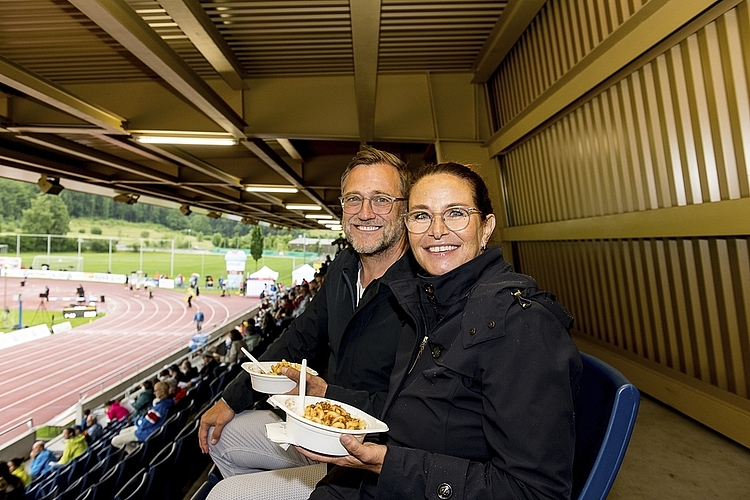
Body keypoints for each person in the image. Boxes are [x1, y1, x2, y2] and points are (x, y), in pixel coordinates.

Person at [286, 162, 580, 500]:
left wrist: (388, 464)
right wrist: (329, 396)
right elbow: (411, 410)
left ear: (486, 228)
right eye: (421, 216)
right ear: (407, 227)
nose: (436, 230)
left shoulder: (521, 325)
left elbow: (536, 492)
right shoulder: (427, 304)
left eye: (455, 213)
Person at [199, 146, 421, 480]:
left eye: (381, 200)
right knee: (220, 437)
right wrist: (231, 398)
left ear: (404, 210)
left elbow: (413, 407)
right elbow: (296, 341)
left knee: (224, 493)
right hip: (322, 425)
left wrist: (328, 394)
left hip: (376, 450)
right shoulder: (344, 267)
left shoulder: (422, 289)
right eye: (354, 199)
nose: (365, 212)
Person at [111, 381, 174, 451]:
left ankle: (134, 452)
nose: (154, 393)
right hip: (150, 428)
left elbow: (145, 424)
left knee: (114, 441)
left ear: (162, 392)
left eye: (156, 391)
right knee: (122, 432)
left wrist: (138, 421)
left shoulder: (160, 407)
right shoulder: (169, 402)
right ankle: (137, 447)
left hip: (146, 433)